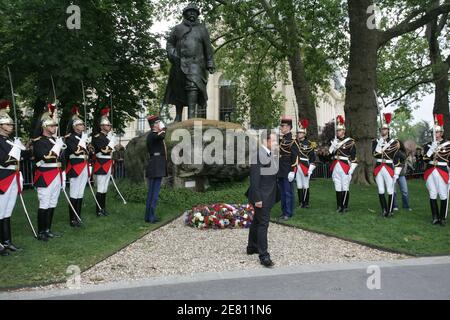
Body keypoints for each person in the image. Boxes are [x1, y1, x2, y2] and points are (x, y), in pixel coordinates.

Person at [163, 3, 215, 121]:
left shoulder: (202, 29)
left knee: (193, 86)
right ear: (185, 14)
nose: (192, 14)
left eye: (194, 12)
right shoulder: (177, 28)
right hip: (179, 63)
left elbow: (208, 47)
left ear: (197, 15)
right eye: (189, 11)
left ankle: (191, 116)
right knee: (178, 88)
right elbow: (170, 43)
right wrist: (172, 53)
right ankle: (178, 116)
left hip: (196, 64)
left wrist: (210, 62)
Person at [32, 104, 65, 241]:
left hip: (56, 173)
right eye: (52, 126)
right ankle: (41, 232)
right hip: (45, 175)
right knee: (44, 203)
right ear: (45, 127)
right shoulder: (39, 141)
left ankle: (48, 229)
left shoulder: (54, 140)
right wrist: (57, 147)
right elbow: (44, 156)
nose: (54, 128)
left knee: (53, 202)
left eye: (55, 126)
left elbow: (61, 158)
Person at [246, 130, 278, 267]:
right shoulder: (258, 155)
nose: (277, 143)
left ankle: (252, 246)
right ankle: (264, 255)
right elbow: (254, 179)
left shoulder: (268, 153)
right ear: (266, 141)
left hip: (268, 194)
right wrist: (257, 198)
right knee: (263, 224)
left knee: (257, 221)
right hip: (262, 197)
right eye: (274, 141)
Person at [0, 100, 25, 255]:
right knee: (0, 211)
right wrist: (16, 151)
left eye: (11, 124)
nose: (11, 126)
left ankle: (7, 241)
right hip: (3, 176)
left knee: (7, 211)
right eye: (7, 124)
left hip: (13, 176)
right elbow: (3, 159)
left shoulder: (9, 140)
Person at [372, 113, 402, 217]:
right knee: (380, 190)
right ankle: (384, 209)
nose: (383, 131)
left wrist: (397, 172)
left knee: (390, 190)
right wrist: (379, 144)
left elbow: (398, 158)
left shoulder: (394, 143)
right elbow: (375, 154)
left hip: (389, 167)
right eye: (381, 129)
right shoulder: (376, 141)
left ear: (388, 130)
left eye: (384, 129)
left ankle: (390, 210)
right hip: (379, 166)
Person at [64, 106, 89, 227]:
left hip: (84, 165)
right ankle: (72, 218)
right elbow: (75, 151)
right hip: (75, 166)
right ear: (75, 126)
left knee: (80, 193)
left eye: (83, 124)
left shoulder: (83, 137)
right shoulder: (70, 137)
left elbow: (90, 151)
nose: (82, 126)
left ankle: (78, 216)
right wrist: (83, 142)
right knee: (74, 192)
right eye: (80, 124)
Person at [423, 114, 449, 226]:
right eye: (434, 132)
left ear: (441, 133)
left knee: (443, 194)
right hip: (430, 171)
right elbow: (424, 159)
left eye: (437, 132)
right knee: (432, 194)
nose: (435, 134)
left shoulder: (448, 144)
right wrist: (431, 149)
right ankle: (435, 217)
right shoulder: (428, 145)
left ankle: (442, 218)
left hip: (442, 170)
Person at [91, 107, 117, 217]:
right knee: (100, 188)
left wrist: (111, 142)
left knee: (105, 187)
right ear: (102, 126)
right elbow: (105, 150)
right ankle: (98, 210)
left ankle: (103, 208)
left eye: (110, 125)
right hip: (101, 163)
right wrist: (112, 143)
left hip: (108, 163)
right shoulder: (98, 137)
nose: (109, 127)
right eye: (107, 125)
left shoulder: (107, 137)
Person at [329, 115, 357, 213]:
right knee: (337, 186)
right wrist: (332, 147)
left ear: (344, 131)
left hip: (345, 166)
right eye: (337, 131)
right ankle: (339, 206)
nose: (338, 132)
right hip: (336, 165)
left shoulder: (350, 142)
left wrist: (351, 170)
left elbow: (354, 158)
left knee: (345, 186)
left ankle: (345, 206)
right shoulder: (335, 141)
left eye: (340, 130)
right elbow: (330, 155)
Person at [288, 119, 316, 208]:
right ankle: (301, 202)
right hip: (297, 165)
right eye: (298, 133)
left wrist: (310, 169)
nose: (298, 134)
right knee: (299, 185)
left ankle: (306, 203)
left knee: (305, 185)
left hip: (305, 166)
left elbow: (312, 158)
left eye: (300, 133)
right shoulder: (295, 142)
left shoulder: (309, 144)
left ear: (304, 134)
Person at [145, 115, 167, 223]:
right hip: (155, 165)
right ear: (154, 125)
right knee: (153, 192)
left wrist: (162, 129)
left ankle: (148, 216)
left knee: (153, 192)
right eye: (158, 123)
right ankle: (150, 216)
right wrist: (163, 128)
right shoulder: (153, 135)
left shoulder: (154, 135)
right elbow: (162, 136)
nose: (161, 124)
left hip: (156, 164)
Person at [277, 117, 295, 220]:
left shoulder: (292, 141)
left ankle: (288, 212)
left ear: (288, 127)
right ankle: (283, 211)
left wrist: (292, 171)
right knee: (283, 192)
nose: (281, 128)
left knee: (288, 192)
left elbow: (295, 157)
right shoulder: (283, 139)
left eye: (282, 126)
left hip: (288, 169)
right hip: (281, 169)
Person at [392, 146, 413, 212]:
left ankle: (406, 206)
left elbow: (405, 159)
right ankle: (394, 206)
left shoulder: (402, 154)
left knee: (405, 191)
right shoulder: (391, 154)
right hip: (393, 174)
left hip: (401, 175)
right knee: (393, 191)